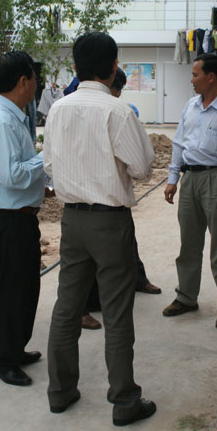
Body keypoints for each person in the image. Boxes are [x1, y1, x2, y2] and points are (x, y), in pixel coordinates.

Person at [44, 32, 157, 426]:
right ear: (113, 67)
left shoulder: (57, 109)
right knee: (117, 311)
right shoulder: (118, 111)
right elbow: (143, 167)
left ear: (75, 67)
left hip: (72, 219)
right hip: (110, 222)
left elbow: (48, 166)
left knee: (67, 307)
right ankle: (124, 400)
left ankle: (60, 391)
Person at [163, 53, 217, 329]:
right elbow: (179, 144)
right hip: (190, 180)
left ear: (211, 77)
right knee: (189, 243)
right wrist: (173, 178)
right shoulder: (190, 106)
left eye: (195, 74)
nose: (192, 80)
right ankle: (186, 296)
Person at [0, 51, 46, 387]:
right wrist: (47, 159)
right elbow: (13, 176)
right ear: (23, 81)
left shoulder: (13, 116)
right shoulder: (1, 122)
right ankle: (4, 360)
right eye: (34, 77)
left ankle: (15, 349)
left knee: (25, 289)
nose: (37, 84)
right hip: (6, 222)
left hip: (20, 218)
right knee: (9, 293)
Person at [80, 68, 162, 331]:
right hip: (99, 201)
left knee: (123, 248)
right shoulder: (114, 110)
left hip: (97, 201)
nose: (118, 94)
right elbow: (140, 168)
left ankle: (134, 281)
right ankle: (89, 305)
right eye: (118, 89)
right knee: (96, 261)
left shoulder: (67, 107)